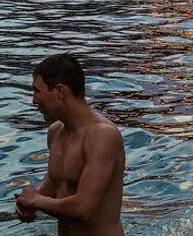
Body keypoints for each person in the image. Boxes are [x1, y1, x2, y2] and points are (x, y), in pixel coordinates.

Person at [15, 53, 125, 235]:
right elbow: (56, 178)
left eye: (37, 91)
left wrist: (36, 201)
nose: (34, 100)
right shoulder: (55, 132)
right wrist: (31, 201)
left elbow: (83, 208)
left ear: (60, 91)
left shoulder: (102, 135)